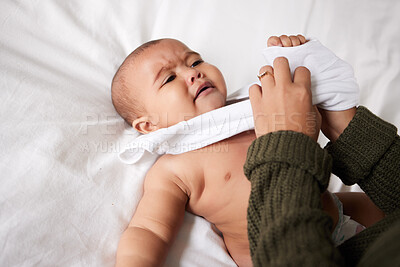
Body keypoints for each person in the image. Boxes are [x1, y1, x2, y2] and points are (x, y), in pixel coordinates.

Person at [111, 35, 383, 266]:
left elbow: (304, 133)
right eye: (169, 78)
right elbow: (149, 229)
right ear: (148, 125)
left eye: (195, 61)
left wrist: (301, 67)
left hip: (332, 213)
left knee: (378, 204)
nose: (193, 72)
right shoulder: (174, 168)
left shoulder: (253, 107)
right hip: (278, 254)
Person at [246, 53, 400, 266]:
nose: (191, 73)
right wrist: (349, 132)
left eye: (195, 61)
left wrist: (285, 149)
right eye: (179, 76)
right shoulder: (184, 165)